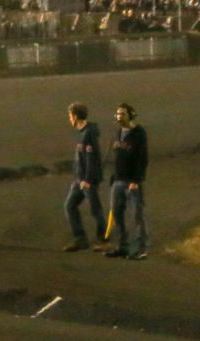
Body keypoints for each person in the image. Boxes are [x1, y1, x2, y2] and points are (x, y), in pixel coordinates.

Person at [105, 102, 150, 259]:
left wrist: (136, 180)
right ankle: (122, 246)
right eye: (117, 114)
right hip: (118, 180)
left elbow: (142, 158)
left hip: (132, 181)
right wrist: (113, 176)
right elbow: (117, 157)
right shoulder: (118, 133)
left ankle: (141, 248)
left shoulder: (139, 133)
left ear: (131, 115)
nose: (119, 116)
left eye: (122, 113)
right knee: (117, 215)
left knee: (137, 216)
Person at [62, 102, 107, 252]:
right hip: (80, 179)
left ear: (75, 116)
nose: (69, 119)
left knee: (95, 209)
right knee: (70, 206)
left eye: (70, 116)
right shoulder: (82, 132)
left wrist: (88, 179)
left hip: (88, 180)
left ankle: (103, 240)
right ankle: (80, 239)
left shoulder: (89, 134)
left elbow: (92, 158)